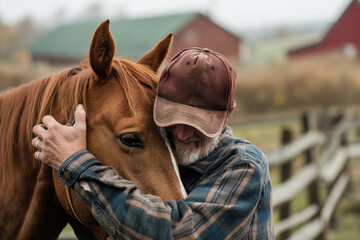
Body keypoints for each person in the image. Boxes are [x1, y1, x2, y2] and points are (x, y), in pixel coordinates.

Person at [32, 48, 274, 239]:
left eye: (199, 123)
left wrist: (78, 165)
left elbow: (180, 233)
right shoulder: (158, 149)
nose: (181, 133)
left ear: (228, 113)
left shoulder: (243, 165)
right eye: (172, 115)